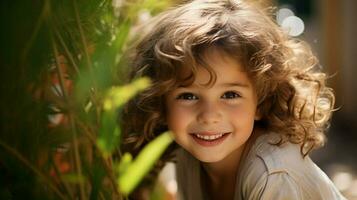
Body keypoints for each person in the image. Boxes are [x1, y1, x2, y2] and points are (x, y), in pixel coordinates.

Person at [121, 0, 346, 199]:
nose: (209, 116)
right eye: (188, 96)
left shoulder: (274, 176)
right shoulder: (187, 154)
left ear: (261, 101)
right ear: (161, 101)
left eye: (230, 95)